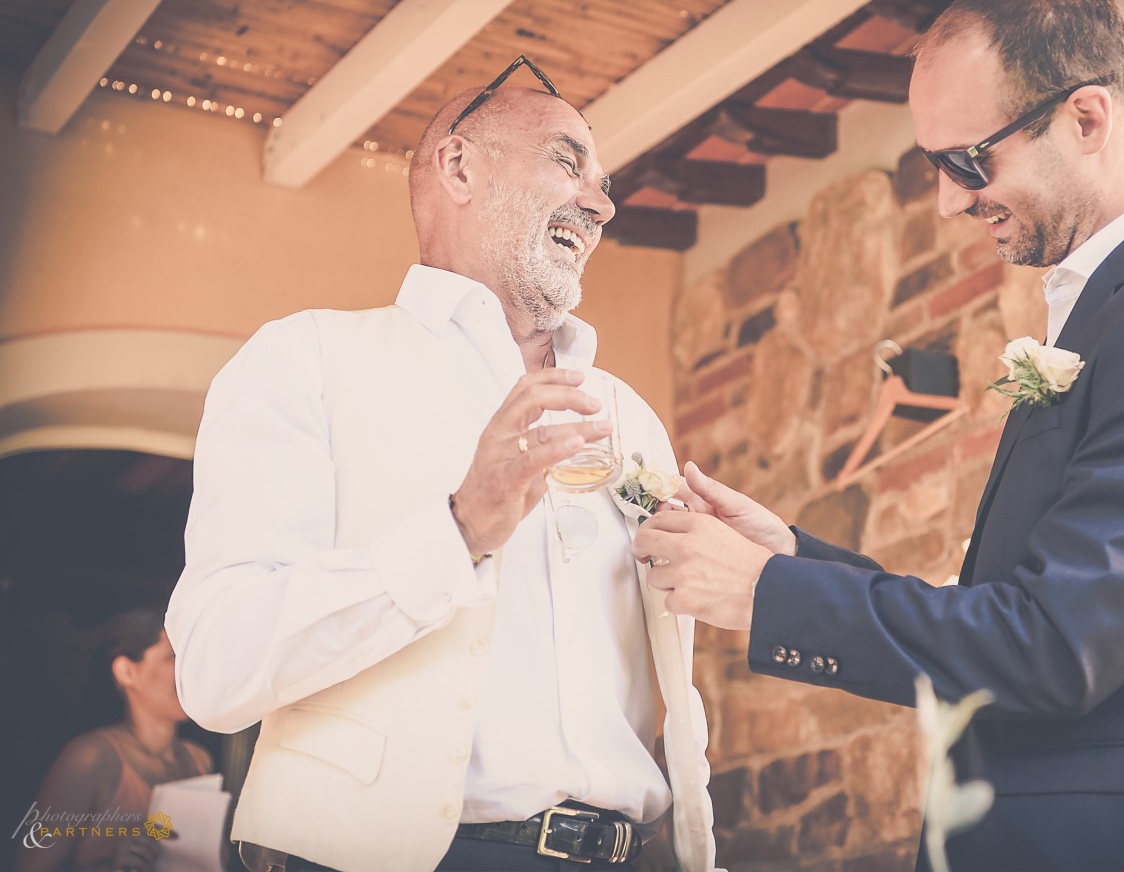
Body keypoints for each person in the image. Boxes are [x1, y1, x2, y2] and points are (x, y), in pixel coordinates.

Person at [633, 0, 1124, 872]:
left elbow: (1055, 646)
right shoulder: (1123, 307)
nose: (949, 201)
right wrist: (791, 560)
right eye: (936, 166)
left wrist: (767, 595)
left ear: (1088, 119)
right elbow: (1018, 610)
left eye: (970, 161)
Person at [165, 59, 716, 872]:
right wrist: (455, 534)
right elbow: (216, 667)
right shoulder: (305, 359)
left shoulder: (630, 415)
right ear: (459, 166)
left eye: (603, 183)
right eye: (568, 162)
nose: (601, 204)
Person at [16, 609, 214, 872]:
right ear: (126, 672)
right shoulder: (89, 758)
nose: (187, 670)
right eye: (173, 656)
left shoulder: (199, 760)